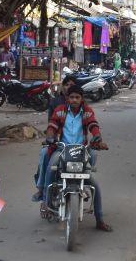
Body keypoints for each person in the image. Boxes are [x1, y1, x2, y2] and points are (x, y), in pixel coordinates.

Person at [38, 85, 112, 231]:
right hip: (62, 148)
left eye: (77, 97)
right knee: (50, 167)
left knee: (94, 185)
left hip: (81, 150)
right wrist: (50, 136)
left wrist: (97, 137)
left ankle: (100, 219)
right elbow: (52, 125)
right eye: (72, 97)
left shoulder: (87, 111)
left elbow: (93, 124)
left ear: (81, 98)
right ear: (67, 98)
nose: (74, 100)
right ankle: (46, 203)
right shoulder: (60, 110)